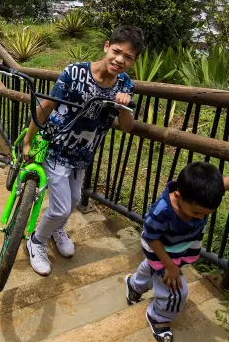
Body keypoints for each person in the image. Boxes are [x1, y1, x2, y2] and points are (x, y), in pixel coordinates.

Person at [125, 157, 229, 342]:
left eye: (206, 214)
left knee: (152, 268)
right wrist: (169, 265)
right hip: (160, 251)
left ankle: (134, 285)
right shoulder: (162, 210)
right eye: (196, 213)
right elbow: (151, 237)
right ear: (178, 196)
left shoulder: (199, 194)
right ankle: (159, 317)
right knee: (176, 292)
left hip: (176, 248)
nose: (200, 217)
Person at [24, 25, 144, 276]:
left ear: (134, 61)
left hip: (83, 154)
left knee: (75, 200)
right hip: (57, 146)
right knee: (59, 208)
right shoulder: (74, 72)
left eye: (128, 57)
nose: (120, 59)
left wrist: (125, 105)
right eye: (117, 51)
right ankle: (36, 241)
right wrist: (28, 140)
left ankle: (57, 229)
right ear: (106, 46)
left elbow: (127, 127)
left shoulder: (124, 84)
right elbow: (47, 105)